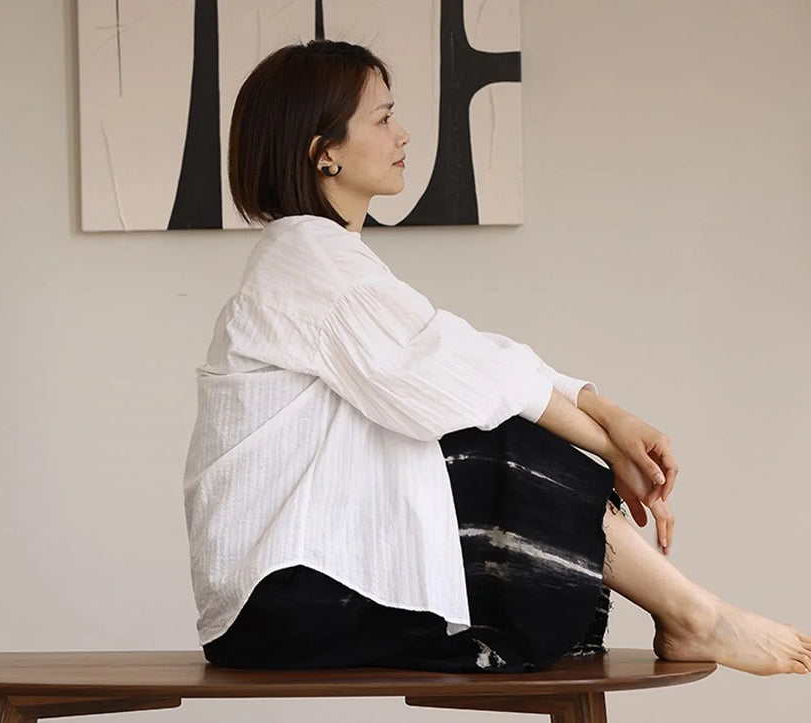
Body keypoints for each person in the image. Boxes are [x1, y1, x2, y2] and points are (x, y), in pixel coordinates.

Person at [183, 39, 810, 676]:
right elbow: (463, 381)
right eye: (382, 118)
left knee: (493, 429)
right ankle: (697, 617)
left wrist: (606, 416)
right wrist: (607, 443)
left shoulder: (319, 256)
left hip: (301, 586)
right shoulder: (307, 259)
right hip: (281, 599)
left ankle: (692, 616)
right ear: (326, 154)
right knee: (495, 438)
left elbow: (470, 356)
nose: (403, 133)